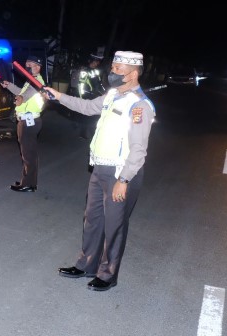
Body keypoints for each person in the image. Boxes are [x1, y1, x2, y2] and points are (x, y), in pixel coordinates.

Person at [43, 50, 155, 292]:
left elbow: (138, 149)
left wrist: (124, 179)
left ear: (133, 74)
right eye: (113, 67)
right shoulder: (112, 95)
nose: (112, 73)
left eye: (118, 70)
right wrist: (58, 96)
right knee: (92, 220)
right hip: (100, 168)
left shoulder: (139, 106)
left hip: (120, 173)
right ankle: (87, 265)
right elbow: (86, 107)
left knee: (115, 225)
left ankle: (108, 275)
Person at [0, 55, 46, 192]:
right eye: (26, 65)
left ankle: (28, 184)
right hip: (28, 121)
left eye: (29, 65)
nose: (26, 67)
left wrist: (21, 98)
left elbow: (26, 94)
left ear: (37, 67)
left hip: (29, 122)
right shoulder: (31, 80)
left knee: (28, 155)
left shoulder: (37, 82)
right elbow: (22, 92)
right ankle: (28, 181)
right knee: (28, 153)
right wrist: (9, 86)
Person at [76, 53, 107, 139]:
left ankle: (93, 133)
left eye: (98, 62)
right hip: (87, 96)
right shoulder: (84, 71)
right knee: (87, 116)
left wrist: (104, 92)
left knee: (94, 116)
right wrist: (82, 98)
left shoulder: (96, 71)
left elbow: (99, 84)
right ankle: (83, 134)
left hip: (95, 96)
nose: (97, 64)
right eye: (95, 62)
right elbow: (81, 85)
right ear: (91, 61)